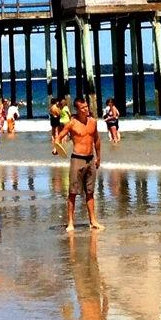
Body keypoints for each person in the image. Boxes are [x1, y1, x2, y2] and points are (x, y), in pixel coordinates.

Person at [62, 98, 102, 233]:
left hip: (90, 160)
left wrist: (99, 158)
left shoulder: (93, 122)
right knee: (72, 193)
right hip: (77, 160)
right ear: (77, 110)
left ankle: (93, 221)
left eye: (86, 107)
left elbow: (96, 140)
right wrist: (56, 147)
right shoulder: (71, 123)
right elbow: (59, 136)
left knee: (90, 192)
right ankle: (70, 222)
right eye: (83, 108)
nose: (86, 109)